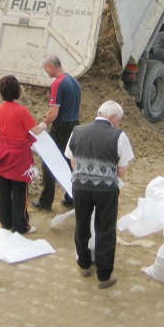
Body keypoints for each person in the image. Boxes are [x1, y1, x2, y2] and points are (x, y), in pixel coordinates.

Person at [65, 100, 134, 289]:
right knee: (105, 230)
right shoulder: (118, 136)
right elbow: (121, 172)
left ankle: (84, 264)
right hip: (106, 190)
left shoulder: (77, 131)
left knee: (81, 224)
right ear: (112, 117)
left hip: (80, 187)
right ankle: (104, 276)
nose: (118, 124)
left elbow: (73, 163)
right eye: (118, 120)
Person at [0, 75, 47, 235]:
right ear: (18, 91)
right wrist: (44, 124)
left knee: (4, 190)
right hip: (18, 156)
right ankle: (21, 225)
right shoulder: (22, 111)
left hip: (2, 153)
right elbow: (36, 130)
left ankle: (6, 222)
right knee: (20, 192)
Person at [32, 55, 81, 211]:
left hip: (61, 127)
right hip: (75, 126)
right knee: (70, 161)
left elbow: (54, 112)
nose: (46, 71)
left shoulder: (58, 83)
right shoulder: (74, 81)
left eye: (45, 69)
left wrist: (44, 124)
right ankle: (71, 197)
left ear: (50, 67)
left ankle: (45, 202)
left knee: (49, 161)